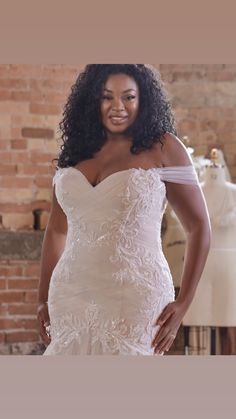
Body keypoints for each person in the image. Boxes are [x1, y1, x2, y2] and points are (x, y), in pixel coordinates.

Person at [37, 64, 211, 355]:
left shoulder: (164, 147)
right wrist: (42, 297)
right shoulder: (75, 152)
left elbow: (199, 226)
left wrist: (184, 303)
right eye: (107, 97)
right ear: (94, 100)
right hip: (70, 297)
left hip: (135, 299)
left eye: (128, 97)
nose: (118, 106)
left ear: (142, 101)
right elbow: (56, 230)